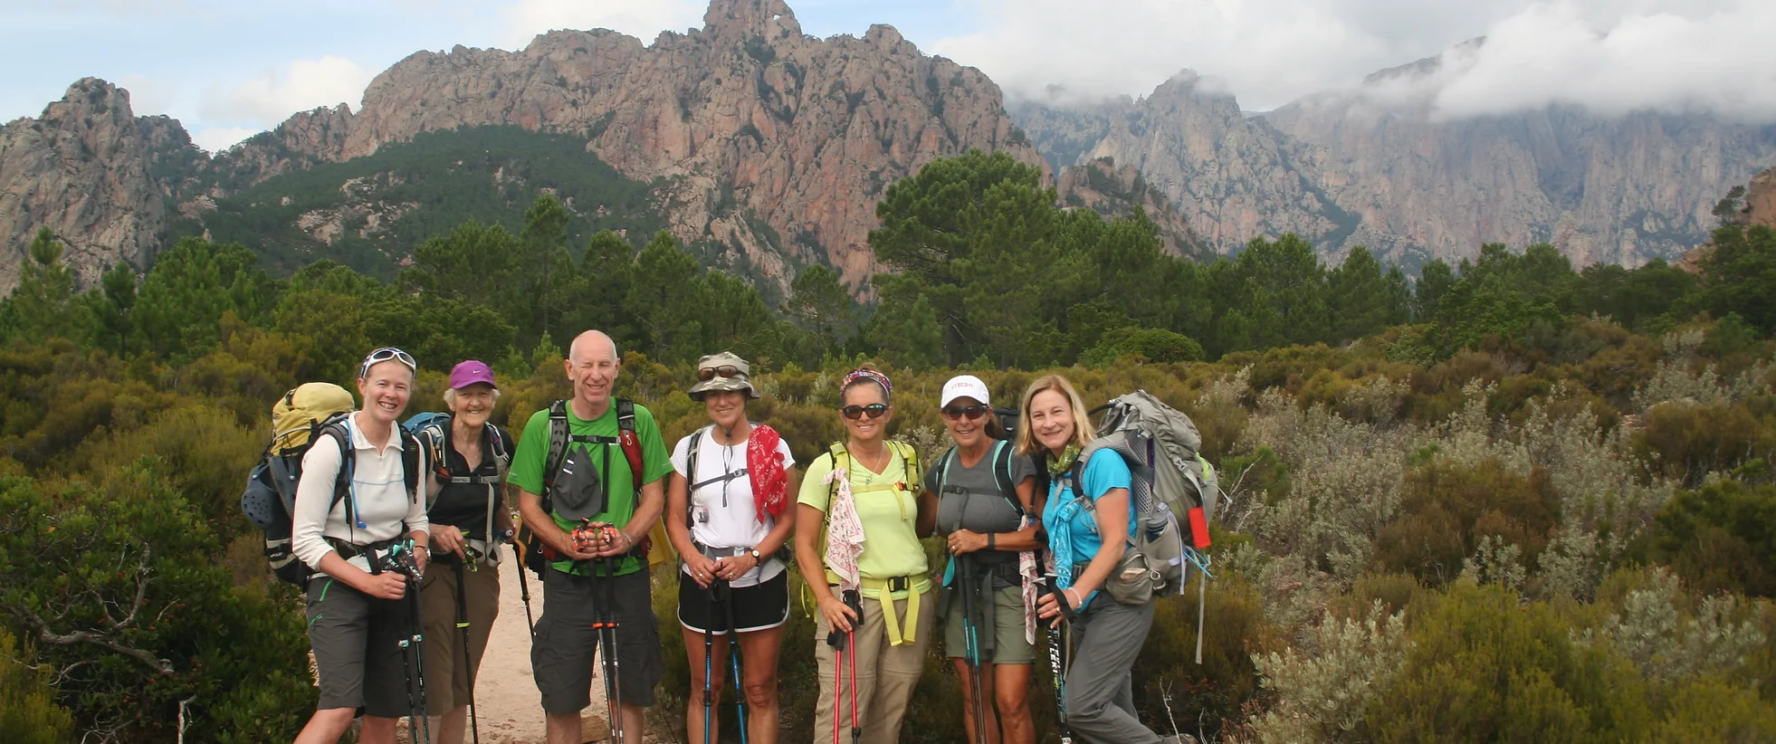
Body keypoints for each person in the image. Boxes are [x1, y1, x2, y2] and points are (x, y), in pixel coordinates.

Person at [509, 331, 673, 744]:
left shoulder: (638, 422)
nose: (595, 375)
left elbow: (655, 495)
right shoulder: (543, 426)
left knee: (631, 691)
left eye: (605, 365)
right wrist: (566, 544)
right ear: (569, 369)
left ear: (617, 369)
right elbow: (527, 504)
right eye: (587, 365)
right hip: (567, 578)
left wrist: (628, 536)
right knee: (562, 695)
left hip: (627, 573)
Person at [292, 347, 433, 744]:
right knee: (339, 708)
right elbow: (304, 539)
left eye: (400, 387)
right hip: (337, 589)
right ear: (362, 386)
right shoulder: (332, 448)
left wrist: (420, 549)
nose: (391, 394)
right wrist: (366, 583)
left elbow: (417, 520)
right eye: (382, 384)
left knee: (386, 713)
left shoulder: (412, 449)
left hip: (394, 589)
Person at [793, 364, 937, 744]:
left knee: (891, 712)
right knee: (841, 713)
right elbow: (804, 543)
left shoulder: (908, 459)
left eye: (874, 409)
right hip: (852, 604)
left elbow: (919, 524)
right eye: (853, 410)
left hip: (912, 602)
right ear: (842, 416)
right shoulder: (828, 468)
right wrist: (826, 599)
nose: (864, 417)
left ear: (888, 412)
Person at [1023, 375, 1165, 744]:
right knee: (1114, 710)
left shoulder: (1101, 462)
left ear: (1075, 414)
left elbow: (1115, 542)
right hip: (1085, 605)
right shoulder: (1058, 471)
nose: (1048, 422)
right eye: (1038, 415)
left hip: (1119, 599)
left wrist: (1073, 595)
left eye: (1057, 411)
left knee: (1081, 707)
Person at [665, 352, 796, 744]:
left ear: (745, 394)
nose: (721, 401)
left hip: (760, 579)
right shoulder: (688, 449)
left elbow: (787, 520)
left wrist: (752, 558)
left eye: (730, 392)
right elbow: (674, 518)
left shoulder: (772, 446)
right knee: (706, 689)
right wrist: (693, 558)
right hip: (701, 578)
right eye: (711, 394)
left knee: (759, 689)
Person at [929, 375, 1040, 744]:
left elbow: (1042, 533)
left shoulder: (1012, 461)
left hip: (1008, 590)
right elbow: (924, 524)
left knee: (1010, 702)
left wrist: (983, 540)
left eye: (972, 411)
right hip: (962, 591)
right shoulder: (941, 468)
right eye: (954, 412)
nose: (964, 421)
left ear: (986, 413)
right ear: (944, 417)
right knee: (974, 699)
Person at [415, 360, 515, 744]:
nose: (475, 402)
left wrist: (510, 528)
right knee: (436, 674)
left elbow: (500, 491)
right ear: (452, 399)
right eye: (467, 395)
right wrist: (434, 530)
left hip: (480, 567)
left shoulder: (498, 442)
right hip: (433, 568)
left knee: (463, 675)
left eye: (483, 394)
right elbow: (402, 507)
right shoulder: (427, 445)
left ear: (492, 398)